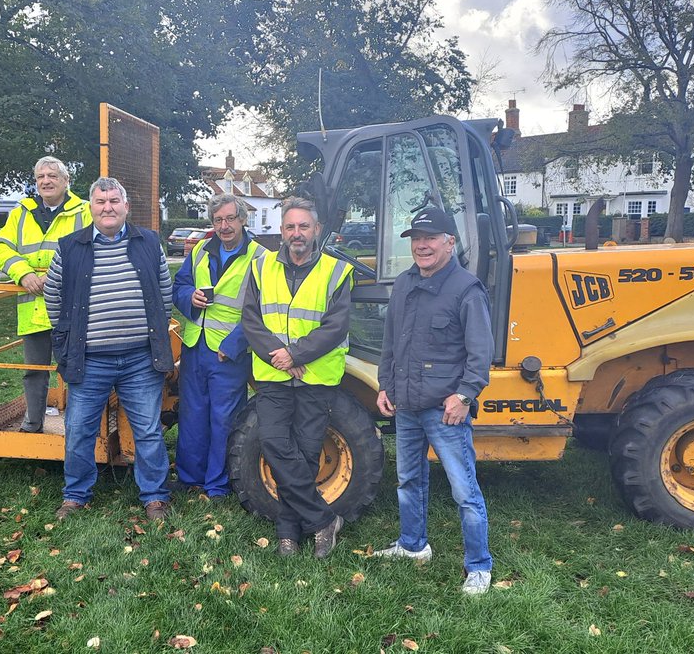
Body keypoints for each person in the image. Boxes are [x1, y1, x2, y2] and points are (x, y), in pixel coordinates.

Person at [371, 206, 494, 596]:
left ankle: (479, 567)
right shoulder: (405, 284)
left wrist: (464, 396)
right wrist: (385, 385)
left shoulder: (466, 289)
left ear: (450, 243)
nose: (422, 245)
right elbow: (390, 342)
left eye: (431, 238)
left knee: (464, 490)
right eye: (416, 239)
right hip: (405, 404)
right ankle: (413, 545)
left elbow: (480, 353)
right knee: (408, 480)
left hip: (445, 410)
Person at [42, 177, 174, 521]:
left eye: (114, 200)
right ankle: (76, 495)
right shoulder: (70, 247)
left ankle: (155, 497)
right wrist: (65, 336)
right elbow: (53, 296)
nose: (108, 207)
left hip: (140, 359)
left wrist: (155, 335)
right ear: (91, 208)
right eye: (100, 202)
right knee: (79, 429)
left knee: (147, 429)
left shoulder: (148, 242)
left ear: (126, 206)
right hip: (90, 360)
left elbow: (164, 294)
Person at [241, 196, 353, 558]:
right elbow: (251, 320)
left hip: (316, 377)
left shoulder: (336, 271)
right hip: (274, 377)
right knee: (274, 445)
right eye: (290, 226)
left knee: (305, 455)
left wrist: (297, 354)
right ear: (282, 231)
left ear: (317, 229)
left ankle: (288, 532)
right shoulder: (261, 268)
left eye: (304, 226)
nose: (296, 233)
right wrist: (283, 358)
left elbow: (335, 326)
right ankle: (323, 521)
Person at [0, 157, 92, 432]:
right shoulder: (21, 212)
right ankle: (32, 425)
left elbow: (95, 250)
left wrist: (54, 274)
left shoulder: (85, 211)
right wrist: (24, 273)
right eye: (40, 177)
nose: (45, 181)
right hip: (33, 310)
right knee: (34, 372)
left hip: (74, 310)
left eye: (52, 176)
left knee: (78, 370)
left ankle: (80, 427)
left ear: (66, 181)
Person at [172, 195, 266, 498]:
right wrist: (190, 298)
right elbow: (179, 286)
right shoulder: (200, 249)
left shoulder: (260, 257)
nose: (224, 226)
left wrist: (235, 344)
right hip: (195, 346)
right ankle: (190, 479)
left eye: (229, 219)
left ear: (242, 220)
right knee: (192, 414)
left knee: (224, 418)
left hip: (229, 352)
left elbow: (264, 309)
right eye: (217, 220)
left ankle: (218, 484)